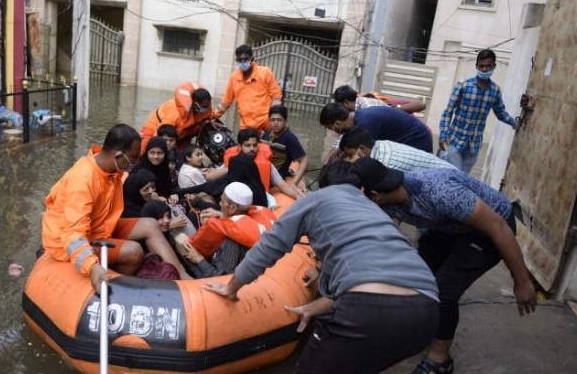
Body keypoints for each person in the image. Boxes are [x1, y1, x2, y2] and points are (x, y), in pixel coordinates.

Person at [203, 161, 440, 374]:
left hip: (368, 310)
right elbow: (373, 273)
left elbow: (269, 247)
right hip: (427, 312)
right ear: (361, 190)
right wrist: (321, 304)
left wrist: (232, 287)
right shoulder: (376, 213)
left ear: (324, 187)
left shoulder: (315, 200)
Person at [350, 157, 537, 374]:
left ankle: (440, 360)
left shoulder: (441, 192)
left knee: (444, 290)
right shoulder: (388, 198)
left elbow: (499, 228)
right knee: (417, 276)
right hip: (449, 225)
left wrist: (521, 282)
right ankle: (423, 326)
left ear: (374, 195)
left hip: (490, 229)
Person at [41, 124, 191, 293]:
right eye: (133, 160)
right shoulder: (83, 179)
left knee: (150, 224)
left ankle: (183, 277)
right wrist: (92, 266)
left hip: (99, 227)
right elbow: (73, 234)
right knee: (134, 251)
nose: (134, 165)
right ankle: (121, 288)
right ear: (119, 156)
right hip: (68, 240)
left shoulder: (112, 171)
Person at [439, 49, 517, 173]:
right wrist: (443, 133)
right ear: (476, 66)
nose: (485, 69)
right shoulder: (463, 85)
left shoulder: (495, 91)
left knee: (464, 178)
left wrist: (515, 124)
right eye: (481, 66)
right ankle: (444, 156)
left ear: (494, 66)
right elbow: (448, 111)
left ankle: (444, 158)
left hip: (474, 144)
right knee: (455, 175)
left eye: (488, 66)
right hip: (456, 138)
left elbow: (500, 112)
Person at [175, 182, 275, 278]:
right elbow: (235, 221)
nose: (219, 203)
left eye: (222, 201)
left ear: (232, 208)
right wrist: (221, 215)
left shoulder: (232, 242)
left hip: (212, 274)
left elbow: (223, 278)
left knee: (180, 239)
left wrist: (198, 258)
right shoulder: (251, 222)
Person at [320, 102, 433, 155]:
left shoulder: (366, 123)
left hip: (417, 142)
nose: (331, 131)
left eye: (330, 128)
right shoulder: (359, 116)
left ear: (337, 124)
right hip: (412, 138)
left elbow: (367, 154)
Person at [221, 129, 303, 200]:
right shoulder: (233, 162)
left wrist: (298, 197)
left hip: (258, 201)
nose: (252, 149)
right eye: (248, 145)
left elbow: (282, 185)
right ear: (240, 146)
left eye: (255, 145)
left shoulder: (267, 165)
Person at [217, 44, 283, 131]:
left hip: (266, 123)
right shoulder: (234, 77)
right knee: (246, 144)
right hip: (246, 124)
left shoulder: (265, 73)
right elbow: (226, 102)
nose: (243, 62)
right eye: (240, 60)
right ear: (236, 60)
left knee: (269, 144)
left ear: (251, 59)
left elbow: (276, 97)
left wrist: (273, 118)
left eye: (245, 59)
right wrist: (213, 117)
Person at [140, 82, 219, 153]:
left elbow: (200, 122)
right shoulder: (175, 114)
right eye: (204, 106)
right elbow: (160, 134)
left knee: (184, 156)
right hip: (156, 128)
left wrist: (209, 122)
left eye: (208, 105)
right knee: (146, 150)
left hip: (181, 136)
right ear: (194, 104)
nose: (206, 108)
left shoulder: (202, 111)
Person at [339, 127, 454, 171]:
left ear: (362, 148)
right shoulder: (381, 144)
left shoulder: (385, 163)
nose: (350, 160)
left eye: (350, 155)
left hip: (450, 180)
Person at [262, 105, 308, 188]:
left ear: (285, 120)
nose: (275, 123)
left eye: (279, 120)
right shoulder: (266, 134)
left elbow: (304, 160)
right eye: (272, 120)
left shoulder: (289, 138)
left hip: (276, 177)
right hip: (263, 171)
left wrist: (294, 183)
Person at [132, 137, 178, 204]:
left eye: (159, 153)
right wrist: (157, 199)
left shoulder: (164, 169)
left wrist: (173, 196)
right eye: (152, 153)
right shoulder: (138, 170)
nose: (156, 156)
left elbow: (168, 190)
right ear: (147, 153)